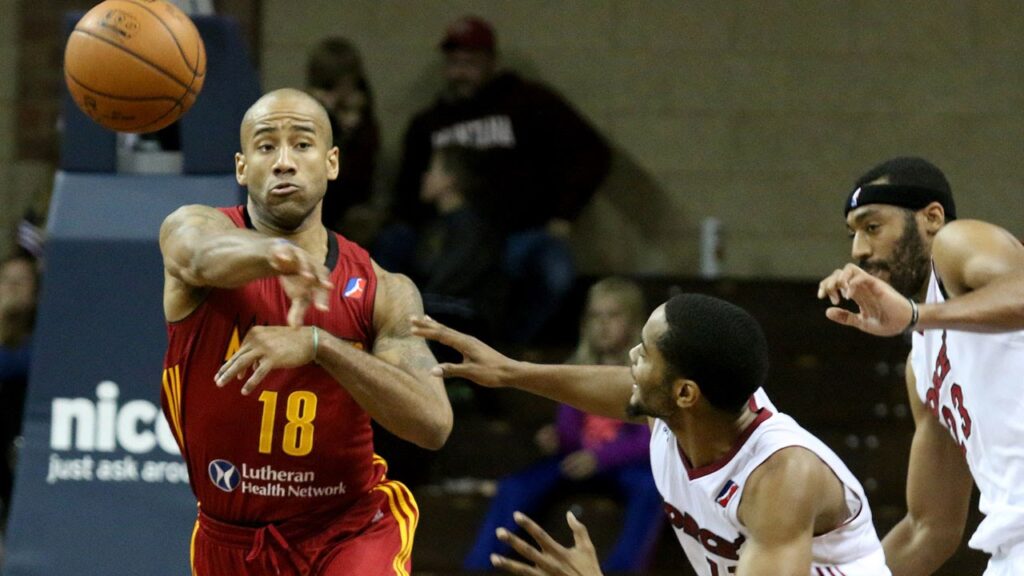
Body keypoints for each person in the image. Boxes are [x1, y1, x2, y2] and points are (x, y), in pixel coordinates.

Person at [158, 88, 453, 575]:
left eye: (302, 144)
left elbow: (432, 424)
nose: (284, 162)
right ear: (241, 166)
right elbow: (197, 254)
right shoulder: (194, 226)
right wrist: (273, 254)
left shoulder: (383, 288)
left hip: (348, 530)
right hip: (229, 538)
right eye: (266, 146)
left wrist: (321, 346)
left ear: (332, 162)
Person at [411, 294, 892, 575]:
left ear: (685, 393)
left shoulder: (781, 478)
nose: (630, 359)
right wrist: (512, 372)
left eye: (645, 353)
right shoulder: (692, 408)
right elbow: (625, 389)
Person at [818, 156, 1024, 576]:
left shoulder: (957, 243)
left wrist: (916, 314)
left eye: (872, 227)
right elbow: (928, 530)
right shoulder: (923, 367)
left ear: (931, 217)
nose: (859, 250)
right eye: (853, 234)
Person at [381, 15, 612, 343]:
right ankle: (389, 346)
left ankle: (504, 350)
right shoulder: (431, 121)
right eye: (454, 63)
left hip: (515, 235)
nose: (460, 72)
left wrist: (564, 214)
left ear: (491, 62)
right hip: (448, 236)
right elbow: (407, 188)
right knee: (387, 249)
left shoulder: (527, 103)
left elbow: (593, 153)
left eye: (470, 63)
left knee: (555, 269)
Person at [463, 277, 661, 572]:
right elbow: (569, 427)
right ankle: (480, 565)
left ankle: (622, 568)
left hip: (625, 464)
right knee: (516, 485)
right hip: (577, 460)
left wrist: (600, 458)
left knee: (651, 490)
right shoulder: (577, 366)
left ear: (633, 323)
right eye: (595, 316)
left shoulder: (645, 373)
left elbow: (650, 437)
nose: (603, 324)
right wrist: (560, 437)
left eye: (613, 315)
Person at [306, 37, 380, 235]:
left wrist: (351, 128)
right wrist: (329, 117)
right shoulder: (310, 111)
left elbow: (360, 170)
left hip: (353, 205)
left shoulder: (362, 115)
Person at [0, 254, 37, 534]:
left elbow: (22, 363)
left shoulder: (42, 336)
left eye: (21, 281)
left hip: (21, 450)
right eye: (6, 280)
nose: (11, 287)